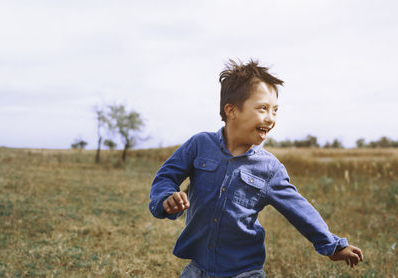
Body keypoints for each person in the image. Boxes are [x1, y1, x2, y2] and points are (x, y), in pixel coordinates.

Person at [148, 59, 363, 277]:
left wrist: (333, 245)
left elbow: (299, 209)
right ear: (232, 111)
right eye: (263, 108)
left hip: (244, 270)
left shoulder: (269, 168)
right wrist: (166, 198)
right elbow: (166, 175)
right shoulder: (199, 145)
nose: (271, 118)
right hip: (199, 268)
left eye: (275, 110)